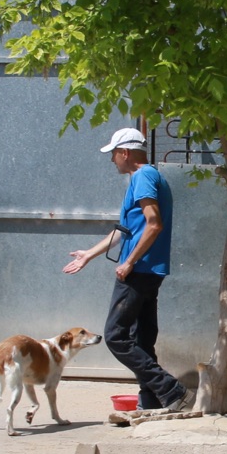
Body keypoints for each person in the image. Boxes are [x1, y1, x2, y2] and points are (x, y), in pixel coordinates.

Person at [64, 127, 188, 411]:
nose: (112, 162)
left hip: (139, 270)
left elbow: (153, 223)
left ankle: (172, 389)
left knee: (116, 336)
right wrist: (89, 255)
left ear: (125, 153)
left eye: (113, 155)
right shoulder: (149, 176)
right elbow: (126, 230)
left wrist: (130, 262)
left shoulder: (143, 177)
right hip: (150, 270)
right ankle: (152, 403)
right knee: (142, 339)